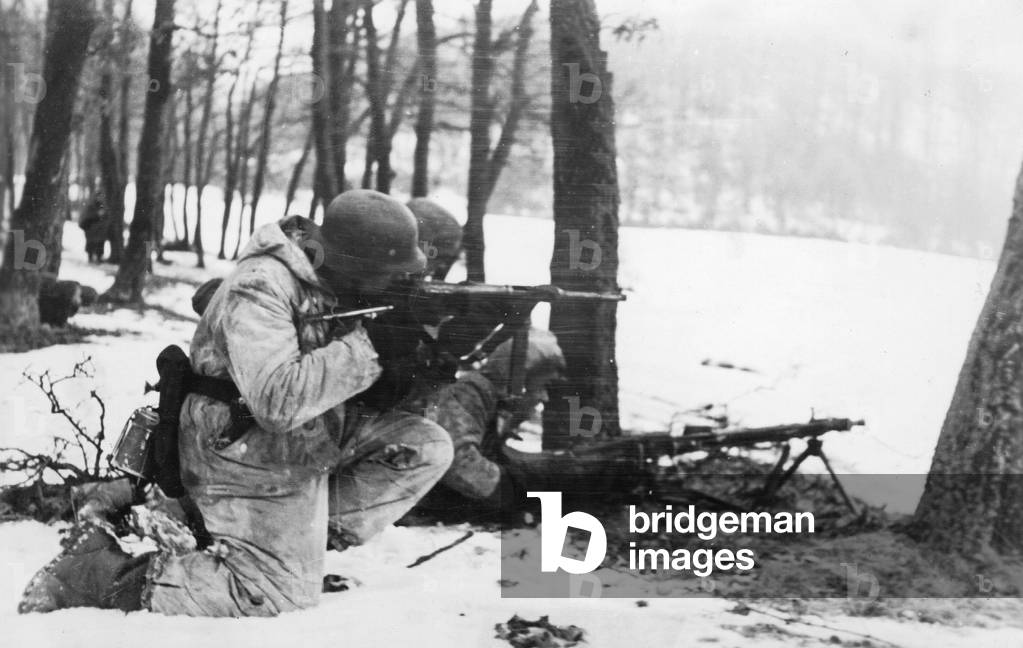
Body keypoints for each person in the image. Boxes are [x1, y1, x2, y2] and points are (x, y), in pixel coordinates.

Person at [20, 190, 454, 617]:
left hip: (304, 435)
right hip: (237, 441)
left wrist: (411, 368)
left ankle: (267, 537)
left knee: (422, 447)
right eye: (385, 276)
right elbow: (275, 401)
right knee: (273, 595)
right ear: (351, 262)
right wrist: (370, 347)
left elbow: (334, 373)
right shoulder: (261, 285)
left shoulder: (335, 284)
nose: (391, 285)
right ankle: (93, 574)